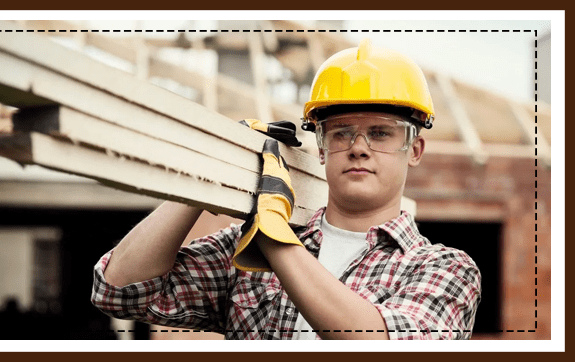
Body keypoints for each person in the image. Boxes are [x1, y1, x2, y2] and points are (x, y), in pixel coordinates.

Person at [91, 39, 482, 340]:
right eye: (341, 132)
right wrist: (209, 176)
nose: (359, 146)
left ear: (414, 149)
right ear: (322, 147)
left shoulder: (444, 269)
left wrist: (273, 238)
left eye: (380, 132)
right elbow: (119, 290)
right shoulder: (244, 249)